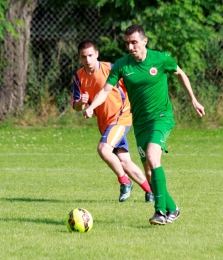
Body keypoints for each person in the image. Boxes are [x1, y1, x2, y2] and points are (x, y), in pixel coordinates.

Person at [83, 25, 205, 225]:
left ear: (144, 41)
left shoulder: (161, 58)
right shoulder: (122, 65)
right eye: (127, 43)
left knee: (152, 156)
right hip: (139, 123)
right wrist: (91, 107)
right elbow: (105, 90)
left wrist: (193, 99)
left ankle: (160, 212)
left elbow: (180, 73)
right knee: (148, 172)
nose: (131, 47)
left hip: (161, 117)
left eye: (134, 42)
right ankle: (173, 208)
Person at [72, 40, 154, 203]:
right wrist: (82, 102)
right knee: (124, 161)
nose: (88, 60)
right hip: (105, 124)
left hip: (121, 116)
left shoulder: (112, 69)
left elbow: (132, 85)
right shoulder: (78, 77)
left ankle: (125, 182)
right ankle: (150, 190)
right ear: (80, 58)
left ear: (97, 54)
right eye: (84, 57)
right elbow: (76, 106)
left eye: (90, 56)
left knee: (103, 149)